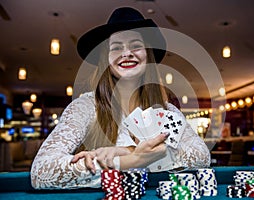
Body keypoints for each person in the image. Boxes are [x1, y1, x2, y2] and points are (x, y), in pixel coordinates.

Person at [30, 7, 210, 189]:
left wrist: (127, 152)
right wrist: (129, 161)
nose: (127, 53)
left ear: (147, 54)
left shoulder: (167, 110)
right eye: (116, 47)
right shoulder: (85, 106)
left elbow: (202, 156)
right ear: (105, 58)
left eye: (136, 46)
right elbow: (40, 172)